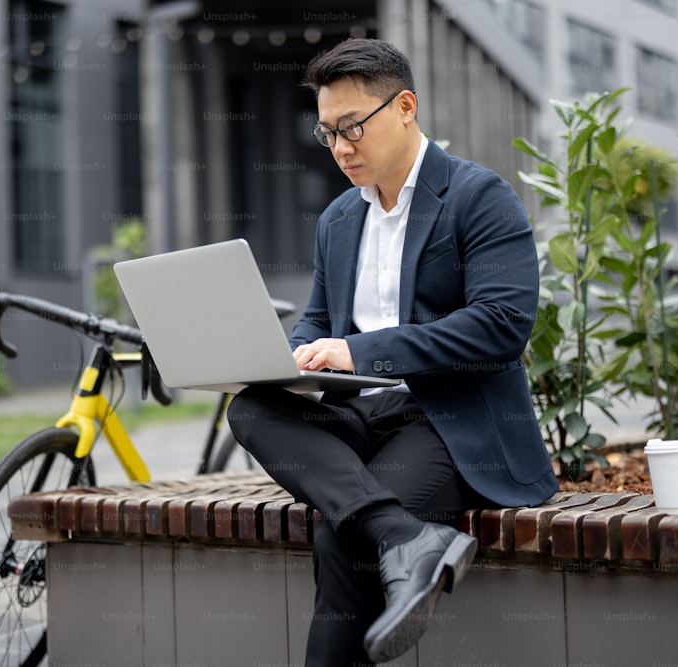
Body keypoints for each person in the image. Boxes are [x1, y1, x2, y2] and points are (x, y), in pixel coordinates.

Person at [227, 37, 558, 666]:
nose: (340, 147)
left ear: (405, 106)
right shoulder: (337, 220)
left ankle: (388, 537)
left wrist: (357, 352)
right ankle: (405, 538)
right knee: (251, 408)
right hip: (360, 416)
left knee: (339, 539)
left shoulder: (479, 197)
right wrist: (289, 360)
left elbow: (500, 325)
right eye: (327, 133)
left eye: (351, 126)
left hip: (447, 418)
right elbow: (320, 320)